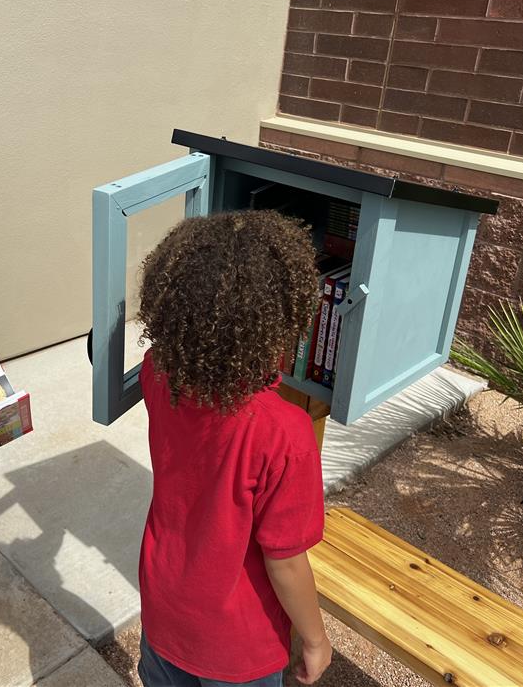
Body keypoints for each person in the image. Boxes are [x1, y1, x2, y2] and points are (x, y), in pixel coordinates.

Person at [135, 210, 333, 687]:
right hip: (238, 643)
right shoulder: (285, 431)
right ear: (281, 323)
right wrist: (315, 638)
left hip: (163, 611)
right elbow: (284, 559)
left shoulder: (158, 374)